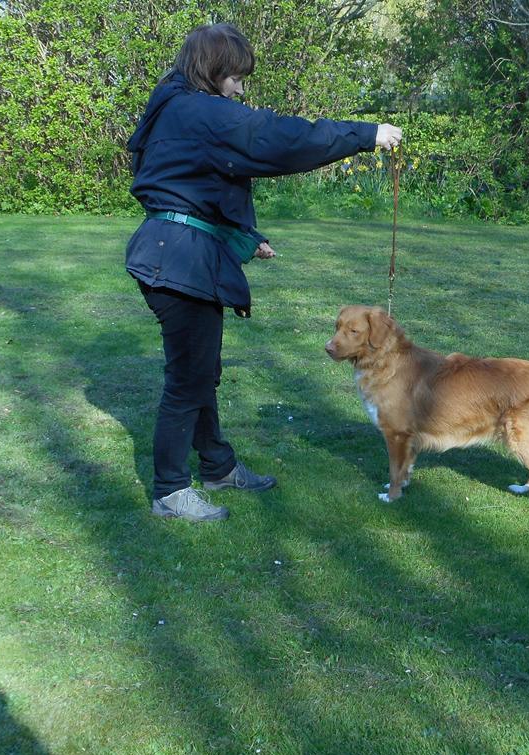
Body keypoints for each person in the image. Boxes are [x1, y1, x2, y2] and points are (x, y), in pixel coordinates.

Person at [125, 23, 402, 521]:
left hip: (178, 254)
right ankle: (169, 489)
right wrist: (364, 135)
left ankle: (216, 466)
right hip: (177, 261)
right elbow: (277, 138)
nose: (240, 88)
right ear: (213, 70)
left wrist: (245, 238)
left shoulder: (175, 107)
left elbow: (192, 186)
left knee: (201, 372)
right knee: (188, 379)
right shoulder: (197, 110)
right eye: (235, 76)